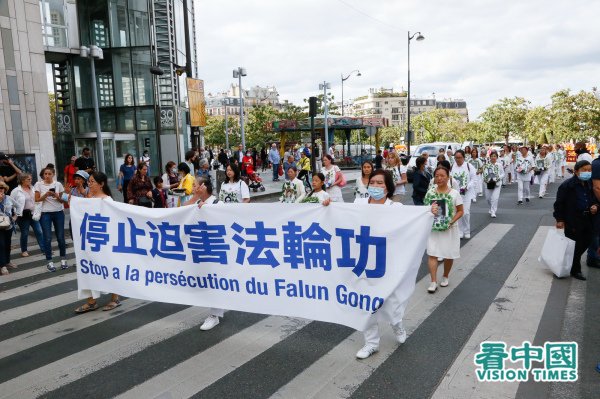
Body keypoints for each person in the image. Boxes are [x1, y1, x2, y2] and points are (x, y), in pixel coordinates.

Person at [353, 169, 438, 359]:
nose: (375, 186)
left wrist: (428, 212)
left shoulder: (396, 207)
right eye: (372, 182)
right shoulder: (358, 204)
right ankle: (371, 343)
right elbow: (340, 218)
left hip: (389, 261)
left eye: (380, 183)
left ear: (388, 187)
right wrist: (326, 205)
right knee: (366, 304)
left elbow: (415, 221)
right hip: (364, 261)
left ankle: (396, 322)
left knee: (392, 299)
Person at [74, 172, 121, 313]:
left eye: (92, 181)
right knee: (89, 269)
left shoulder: (108, 201)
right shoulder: (89, 198)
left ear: (101, 184)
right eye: (89, 181)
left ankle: (115, 298)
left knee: (109, 269)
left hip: (105, 242)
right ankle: (91, 301)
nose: (89, 184)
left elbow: (113, 223)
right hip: (90, 241)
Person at [553, 160, 597, 280]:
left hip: (587, 217)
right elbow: (559, 204)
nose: (587, 172)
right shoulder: (567, 185)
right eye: (584, 170)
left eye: (589, 170)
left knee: (587, 240)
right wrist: (560, 219)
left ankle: (568, 262)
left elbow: (592, 199)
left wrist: (595, 206)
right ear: (576, 171)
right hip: (573, 219)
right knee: (575, 245)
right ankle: (575, 270)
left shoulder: (588, 184)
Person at [424, 166, 464, 293]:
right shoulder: (430, 192)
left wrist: (451, 221)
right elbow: (425, 209)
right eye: (436, 176)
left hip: (449, 229)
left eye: (442, 175)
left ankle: (445, 275)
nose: (439, 178)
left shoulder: (454, 193)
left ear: (448, 177)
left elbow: (460, 211)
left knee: (448, 254)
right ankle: (433, 281)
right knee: (432, 253)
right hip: (434, 229)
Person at [34, 165, 67, 272]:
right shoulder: (38, 184)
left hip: (58, 212)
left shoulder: (58, 184)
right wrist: (46, 195)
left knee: (61, 237)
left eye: (49, 174)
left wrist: (56, 196)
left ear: (53, 174)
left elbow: (63, 201)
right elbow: (37, 199)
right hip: (45, 214)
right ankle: (49, 261)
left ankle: (63, 259)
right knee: (47, 238)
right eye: (45, 174)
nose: (47, 176)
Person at [11, 173, 44, 258]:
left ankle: (44, 248)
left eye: (30, 179)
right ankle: (24, 250)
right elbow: (11, 202)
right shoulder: (16, 191)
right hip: (23, 215)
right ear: (22, 180)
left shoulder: (33, 188)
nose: (30, 180)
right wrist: (15, 213)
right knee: (25, 233)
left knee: (39, 231)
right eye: (28, 179)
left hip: (33, 213)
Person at [450, 150, 476, 239]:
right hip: (456, 194)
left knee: (466, 212)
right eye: (456, 158)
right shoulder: (452, 166)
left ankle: (467, 230)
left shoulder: (469, 166)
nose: (458, 160)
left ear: (463, 157)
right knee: (458, 212)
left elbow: (474, 179)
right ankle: (460, 231)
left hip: (466, 193)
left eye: (459, 157)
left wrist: (467, 187)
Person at [0, 181, 16, 275]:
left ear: (5, 189)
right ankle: (3, 266)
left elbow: (18, 206)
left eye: (2, 188)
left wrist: (15, 216)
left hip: (8, 225)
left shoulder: (9, 198)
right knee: (1, 245)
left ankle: (7, 261)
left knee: (7, 244)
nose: (0, 190)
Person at [483, 151, 504, 218]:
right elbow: (484, 174)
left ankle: (493, 211)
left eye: (494, 156)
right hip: (488, 184)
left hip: (497, 183)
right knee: (488, 198)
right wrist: (487, 179)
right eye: (492, 156)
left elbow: (503, 174)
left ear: (497, 157)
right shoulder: (486, 165)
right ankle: (491, 207)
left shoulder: (499, 165)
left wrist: (498, 178)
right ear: (490, 157)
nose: (493, 157)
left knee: (495, 198)